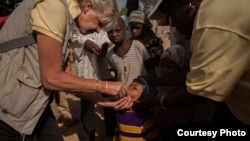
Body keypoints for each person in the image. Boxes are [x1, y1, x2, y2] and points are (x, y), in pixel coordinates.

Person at [0, 0, 132, 141]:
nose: (98, 30)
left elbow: (66, 78)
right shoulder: (53, 7)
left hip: (36, 107)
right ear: (88, 7)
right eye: (99, 23)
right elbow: (51, 78)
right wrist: (105, 86)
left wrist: (99, 100)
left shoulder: (67, 22)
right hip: (9, 110)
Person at [137, 0, 250, 139]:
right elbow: (197, 74)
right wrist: (155, 81)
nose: (175, 26)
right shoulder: (217, 9)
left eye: (172, 16)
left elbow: (200, 92)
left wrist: (158, 101)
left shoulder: (210, 22)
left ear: (188, 6)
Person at [70, 29, 114, 141]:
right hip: (87, 67)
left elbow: (112, 35)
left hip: (105, 67)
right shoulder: (80, 22)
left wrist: (105, 45)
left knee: (108, 100)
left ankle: (111, 131)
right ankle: (87, 136)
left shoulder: (105, 21)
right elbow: (73, 37)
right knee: (87, 103)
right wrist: (85, 42)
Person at [153, 44, 193, 140]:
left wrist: (173, 127)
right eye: (162, 66)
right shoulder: (160, 85)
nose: (164, 70)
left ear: (179, 68)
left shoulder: (183, 88)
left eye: (169, 67)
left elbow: (185, 113)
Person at [107, 16, 150, 87]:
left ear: (126, 30)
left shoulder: (137, 46)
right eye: (110, 32)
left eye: (117, 31)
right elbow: (114, 77)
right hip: (124, 95)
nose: (114, 35)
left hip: (141, 92)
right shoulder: (110, 55)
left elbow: (150, 68)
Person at [128, 10, 164, 77]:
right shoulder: (129, 42)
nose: (134, 31)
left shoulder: (155, 43)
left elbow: (157, 64)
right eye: (131, 28)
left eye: (137, 28)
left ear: (144, 27)